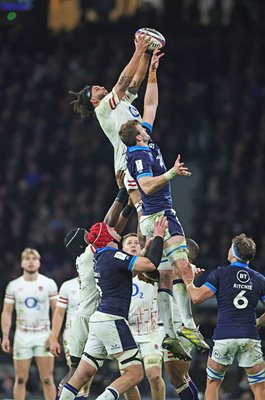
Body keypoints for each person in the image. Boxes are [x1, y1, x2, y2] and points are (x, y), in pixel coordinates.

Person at [119, 120, 209, 356]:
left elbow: (150, 104)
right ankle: (189, 325)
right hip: (161, 216)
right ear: (138, 137)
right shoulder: (139, 155)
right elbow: (147, 187)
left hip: (151, 219)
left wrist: (151, 80)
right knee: (183, 267)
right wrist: (171, 173)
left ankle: (170, 334)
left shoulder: (147, 148)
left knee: (167, 276)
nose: (146, 129)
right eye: (141, 129)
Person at [59, 217, 167, 400]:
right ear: (105, 237)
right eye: (109, 230)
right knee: (135, 374)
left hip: (98, 321)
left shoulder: (101, 257)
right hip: (112, 319)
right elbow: (150, 265)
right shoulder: (113, 255)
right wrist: (158, 237)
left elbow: (129, 271)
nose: (114, 230)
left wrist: (145, 250)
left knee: (82, 374)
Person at [55, 171, 132, 399]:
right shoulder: (90, 254)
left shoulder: (87, 255)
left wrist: (129, 203)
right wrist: (122, 192)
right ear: (85, 243)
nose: (93, 234)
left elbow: (113, 230)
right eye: (88, 235)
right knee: (85, 373)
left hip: (87, 316)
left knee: (79, 372)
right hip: (91, 316)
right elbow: (109, 225)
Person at [69, 36, 163, 214]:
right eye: (94, 89)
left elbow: (135, 82)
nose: (99, 86)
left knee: (152, 210)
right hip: (128, 161)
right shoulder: (103, 109)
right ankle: (147, 241)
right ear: (94, 100)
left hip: (142, 152)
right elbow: (123, 82)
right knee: (144, 212)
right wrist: (138, 51)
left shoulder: (122, 103)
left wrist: (146, 54)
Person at [183, 233, 265, 400]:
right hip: (249, 337)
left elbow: (197, 298)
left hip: (224, 337)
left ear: (233, 252)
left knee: (213, 383)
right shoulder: (259, 279)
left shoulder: (221, 273)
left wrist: (188, 281)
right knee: (258, 387)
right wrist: (258, 322)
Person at [0, 247, 58, 400]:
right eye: (27, 259)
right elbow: (6, 312)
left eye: (34, 259)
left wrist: (53, 336)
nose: (31, 262)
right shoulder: (13, 285)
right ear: (22, 263)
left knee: (47, 379)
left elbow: (57, 311)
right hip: (22, 336)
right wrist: (5, 336)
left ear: (39, 263)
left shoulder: (49, 283)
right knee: (19, 379)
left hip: (43, 334)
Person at [121, 233, 165, 400]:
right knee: (129, 380)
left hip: (150, 331)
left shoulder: (149, 270)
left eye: (136, 243)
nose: (133, 245)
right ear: (122, 249)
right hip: (125, 332)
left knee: (154, 376)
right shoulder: (116, 271)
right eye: (129, 243)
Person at [49, 277, 90, 400]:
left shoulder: (98, 283)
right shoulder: (67, 286)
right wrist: (54, 338)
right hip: (71, 334)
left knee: (87, 375)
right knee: (77, 371)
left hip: (92, 334)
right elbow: (59, 313)